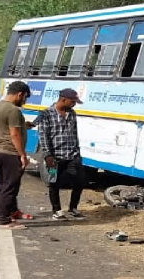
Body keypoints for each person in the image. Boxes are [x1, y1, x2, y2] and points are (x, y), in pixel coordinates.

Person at [0, 81, 31, 225]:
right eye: (25, 98)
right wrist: (22, 155)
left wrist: (24, 125)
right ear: (19, 94)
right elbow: (14, 135)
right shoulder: (13, 110)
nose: (24, 101)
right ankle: (4, 218)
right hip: (10, 152)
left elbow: (4, 126)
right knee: (10, 186)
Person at [37, 88, 86, 220]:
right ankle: (57, 210)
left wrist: (78, 153)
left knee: (80, 181)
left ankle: (73, 208)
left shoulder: (72, 113)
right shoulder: (46, 114)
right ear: (63, 99)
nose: (74, 104)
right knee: (54, 183)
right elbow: (43, 136)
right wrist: (47, 155)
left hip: (72, 155)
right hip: (55, 156)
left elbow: (75, 134)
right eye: (72, 101)